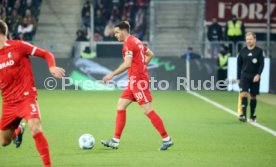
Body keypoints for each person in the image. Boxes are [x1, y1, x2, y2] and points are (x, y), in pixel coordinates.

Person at [0, 20, 65, 167]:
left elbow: (46, 54)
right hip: (8, 102)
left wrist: (52, 66)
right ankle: (18, 130)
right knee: (4, 142)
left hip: (26, 97)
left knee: (35, 127)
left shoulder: (18, 46)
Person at [101, 21, 173, 151]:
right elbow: (150, 54)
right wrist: (141, 65)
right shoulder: (137, 41)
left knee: (148, 110)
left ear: (124, 31)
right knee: (121, 106)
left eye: (117, 32)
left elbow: (127, 63)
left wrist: (112, 75)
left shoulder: (128, 44)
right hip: (133, 81)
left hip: (138, 82)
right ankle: (115, 141)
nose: (115, 35)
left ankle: (166, 139)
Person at [237, 32, 264, 122]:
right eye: (247, 39)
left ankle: (252, 115)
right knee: (244, 94)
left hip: (254, 76)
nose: (249, 41)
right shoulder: (242, 51)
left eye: (250, 39)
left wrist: (258, 74)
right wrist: (238, 78)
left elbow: (261, 64)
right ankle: (243, 115)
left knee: (253, 96)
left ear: (254, 40)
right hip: (244, 75)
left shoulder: (259, 51)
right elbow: (239, 65)